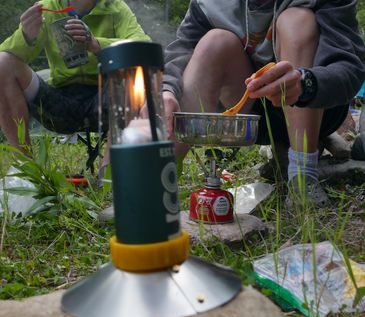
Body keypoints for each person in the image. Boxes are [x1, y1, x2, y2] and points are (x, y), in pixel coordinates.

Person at [162, 0, 365, 207]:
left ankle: (303, 176)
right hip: (252, 116)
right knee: (214, 41)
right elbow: (181, 51)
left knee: (296, 20)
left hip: (317, 104)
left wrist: (306, 83)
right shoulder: (209, 4)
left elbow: (350, 66)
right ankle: (160, 177)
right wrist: (167, 91)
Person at [0, 0, 150, 162]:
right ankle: (24, 167)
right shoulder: (48, 8)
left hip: (107, 100)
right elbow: (10, 58)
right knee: (3, 63)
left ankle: (111, 171)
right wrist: (26, 36)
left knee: (132, 69)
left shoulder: (115, 7)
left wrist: (96, 43)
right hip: (59, 103)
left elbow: (143, 47)